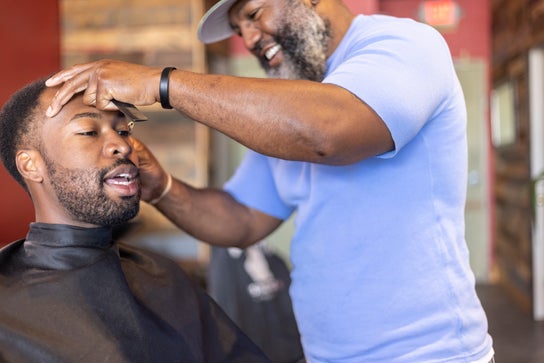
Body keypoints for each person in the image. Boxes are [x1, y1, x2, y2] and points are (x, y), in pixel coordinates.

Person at [44, 0, 495, 361]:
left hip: (430, 354)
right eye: (240, 29)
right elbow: (240, 220)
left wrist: (164, 84)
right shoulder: (290, 109)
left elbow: (328, 133)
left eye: (255, 14)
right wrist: (160, 186)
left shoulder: (402, 44)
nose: (251, 39)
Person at [0, 77, 271, 363]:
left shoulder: (162, 277)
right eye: (89, 132)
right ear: (31, 166)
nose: (124, 145)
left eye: (123, 130)